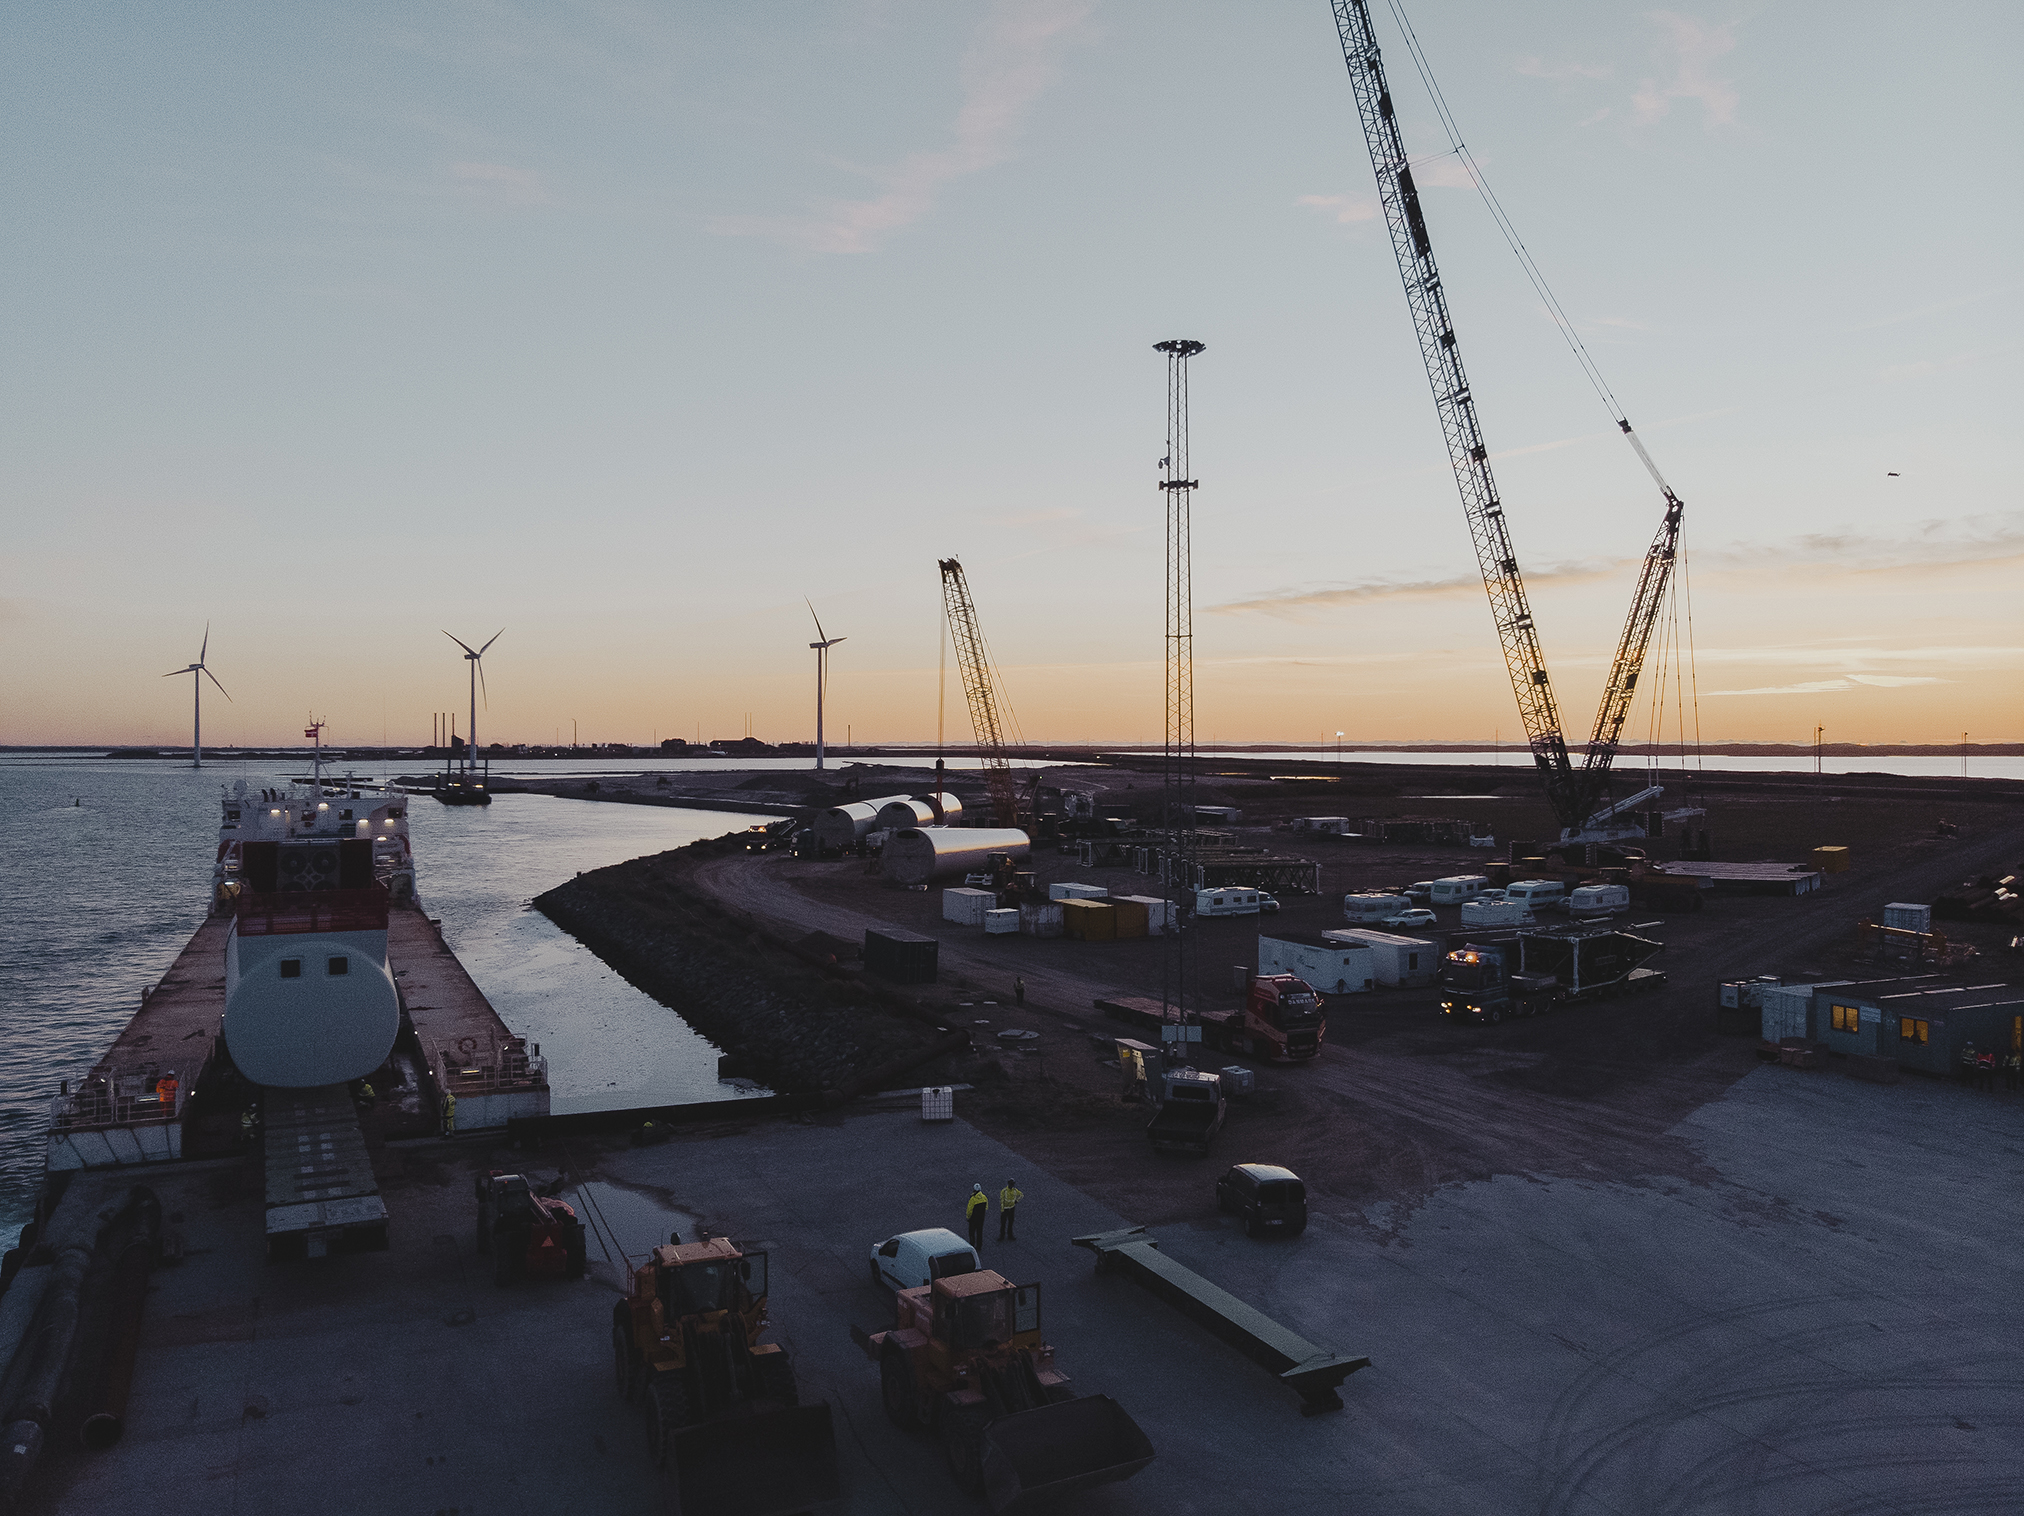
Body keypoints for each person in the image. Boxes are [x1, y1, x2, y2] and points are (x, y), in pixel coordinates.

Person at [965, 1183, 988, 1249]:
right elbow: (986, 1207)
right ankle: (979, 1246)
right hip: (981, 1219)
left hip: (973, 1219)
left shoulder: (973, 1199)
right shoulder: (984, 1197)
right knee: (979, 1232)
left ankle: (972, 1244)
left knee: (971, 1232)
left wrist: (968, 1217)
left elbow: (969, 1210)